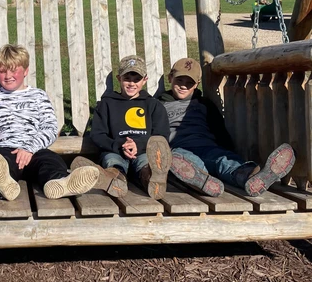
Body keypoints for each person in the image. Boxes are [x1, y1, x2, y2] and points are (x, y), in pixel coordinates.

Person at [0, 44, 99, 200]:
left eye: (13, 70)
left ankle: (59, 183)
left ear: (25, 71)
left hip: (34, 150)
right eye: (2, 71)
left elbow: (49, 127)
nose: (8, 75)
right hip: (4, 151)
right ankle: (3, 185)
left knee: (51, 161)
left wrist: (29, 148)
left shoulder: (38, 96)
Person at [159, 57, 295, 196]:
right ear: (170, 78)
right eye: (179, 80)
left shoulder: (204, 104)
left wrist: (228, 150)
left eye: (189, 83)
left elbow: (219, 129)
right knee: (186, 162)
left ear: (197, 84)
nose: (183, 86)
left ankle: (250, 176)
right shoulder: (159, 105)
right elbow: (155, 131)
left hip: (208, 146)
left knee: (223, 161)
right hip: (180, 149)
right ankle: (201, 179)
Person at [88, 55, 172, 199]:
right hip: (115, 150)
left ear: (145, 80)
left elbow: (161, 135)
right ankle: (115, 181)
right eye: (127, 78)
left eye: (136, 79)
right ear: (119, 78)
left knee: (147, 163)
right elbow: (97, 134)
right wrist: (120, 145)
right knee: (113, 163)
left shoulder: (153, 105)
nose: (131, 83)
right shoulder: (106, 104)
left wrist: (138, 145)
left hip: (144, 150)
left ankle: (153, 180)